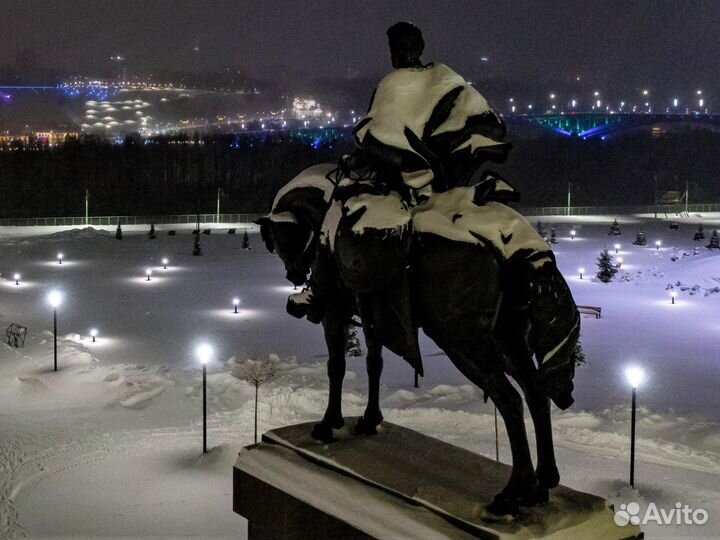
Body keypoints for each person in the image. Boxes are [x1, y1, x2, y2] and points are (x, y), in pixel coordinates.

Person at [289, 22, 509, 324]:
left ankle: (316, 292)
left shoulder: (394, 84)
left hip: (401, 182)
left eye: (396, 48)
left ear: (399, 51)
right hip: (442, 179)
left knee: (335, 213)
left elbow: (380, 137)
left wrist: (359, 159)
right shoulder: (444, 77)